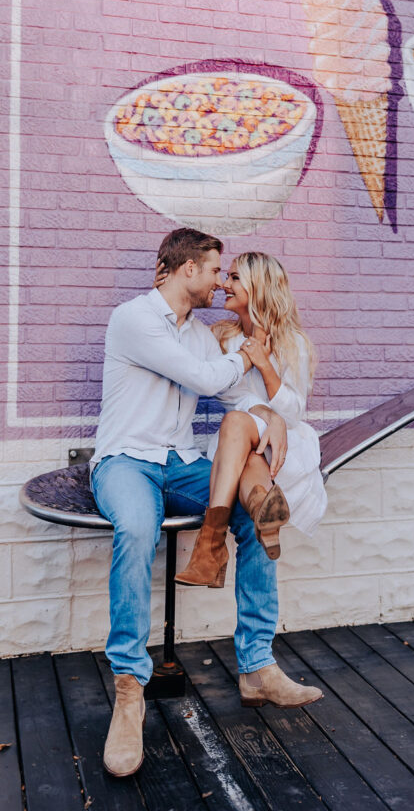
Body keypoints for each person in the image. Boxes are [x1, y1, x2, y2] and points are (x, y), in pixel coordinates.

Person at [92, 228, 322, 779]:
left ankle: (257, 666)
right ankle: (129, 691)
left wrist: (265, 412)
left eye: (227, 275)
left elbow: (232, 394)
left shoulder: (199, 335)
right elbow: (202, 377)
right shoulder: (134, 318)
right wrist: (248, 355)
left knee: (255, 515)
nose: (221, 283)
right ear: (185, 269)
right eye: (216, 271)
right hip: (125, 460)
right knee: (138, 531)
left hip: (180, 462)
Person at [171, 251, 327, 589]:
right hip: (237, 451)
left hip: (282, 446)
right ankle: (262, 504)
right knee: (239, 428)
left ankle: (209, 548)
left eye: (234, 278)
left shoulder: (292, 343)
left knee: (237, 422)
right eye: (226, 276)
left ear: (258, 287)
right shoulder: (222, 338)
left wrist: (264, 363)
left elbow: (293, 415)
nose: (225, 284)